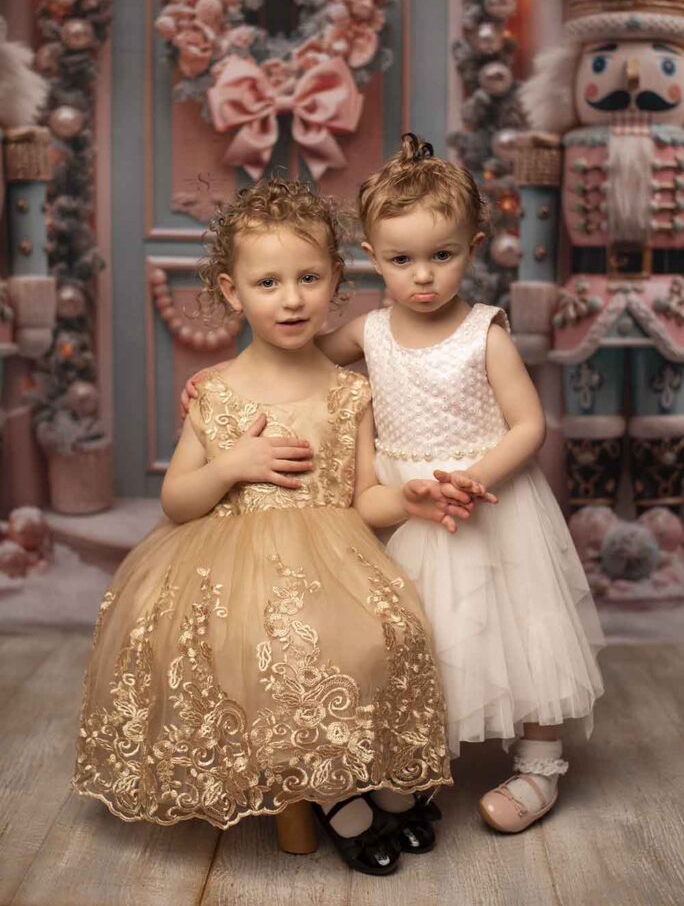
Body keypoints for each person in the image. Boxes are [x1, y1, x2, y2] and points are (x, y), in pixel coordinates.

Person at [184, 137, 605, 834]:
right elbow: (293, 361)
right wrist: (221, 383)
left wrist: (474, 477)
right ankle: (417, 763)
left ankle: (538, 766)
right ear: (372, 260)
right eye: (402, 260)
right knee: (419, 636)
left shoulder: (482, 334)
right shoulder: (368, 332)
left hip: (488, 498)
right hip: (401, 504)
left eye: (442, 256)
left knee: (527, 632)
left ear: (472, 248)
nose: (424, 278)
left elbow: (529, 424)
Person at [72, 178, 459, 875]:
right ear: (231, 291)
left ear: (337, 280)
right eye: (268, 281)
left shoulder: (350, 391)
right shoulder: (218, 392)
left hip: (338, 554)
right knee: (281, 642)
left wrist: (411, 500)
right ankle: (335, 800)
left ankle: (384, 779)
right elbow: (177, 501)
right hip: (236, 567)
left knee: (388, 631)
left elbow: (365, 498)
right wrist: (231, 464)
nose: (291, 298)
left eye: (309, 278)